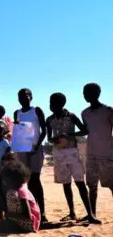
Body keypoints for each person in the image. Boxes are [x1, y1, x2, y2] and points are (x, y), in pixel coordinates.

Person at [46, 92, 100, 224]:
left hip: (72, 152)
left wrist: (69, 135)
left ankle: (90, 214)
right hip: (58, 153)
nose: (51, 106)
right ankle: (72, 212)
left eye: (54, 103)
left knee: (80, 183)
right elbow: (49, 137)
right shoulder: (49, 119)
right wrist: (55, 139)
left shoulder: (71, 116)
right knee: (66, 183)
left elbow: (84, 130)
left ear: (61, 104)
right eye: (50, 103)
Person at [14, 88, 47, 222]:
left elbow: (44, 130)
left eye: (26, 95)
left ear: (31, 97)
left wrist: (37, 145)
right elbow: (17, 131)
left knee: (35, 179)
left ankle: (42, 212)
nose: (23, 98)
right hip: (22, 150)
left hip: (35, 149)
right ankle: (30, 210)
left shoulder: (36, 111)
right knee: (24, 180)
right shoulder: (17, 113)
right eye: (20, 96)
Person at [82, 83, 113, 216]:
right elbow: (86, 131)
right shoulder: (85, 113)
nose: (85, 95)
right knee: (92, 186)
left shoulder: (108, 110)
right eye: (84, 93)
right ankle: (92, 213)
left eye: (88, 92)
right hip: (91, 154)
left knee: (112, 185)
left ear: (97, 93)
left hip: (107, 155)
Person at [1, 160, 41, 233]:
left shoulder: (22, 192)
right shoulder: (19, 187)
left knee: (11, 194)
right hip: (24, 222)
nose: (4, 181)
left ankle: (14, 226)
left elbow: (27, 216)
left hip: (30, 225)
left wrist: (10, 215)